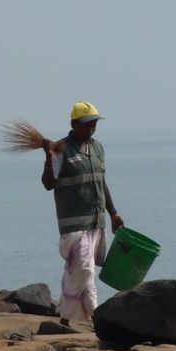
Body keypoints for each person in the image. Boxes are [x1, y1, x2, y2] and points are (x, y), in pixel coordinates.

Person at [41, 101, 124, 326]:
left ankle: (94, 315)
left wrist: (114, 213)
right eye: (87, 124)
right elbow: (48, 184)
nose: (91, 129)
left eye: (94, 124)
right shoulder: (60, 149)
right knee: (84, 268)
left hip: (96, 221)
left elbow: (101, 182)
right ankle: (67, 316)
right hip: (73, 224)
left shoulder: (97, 148)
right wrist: (48, 157)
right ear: (74, 124)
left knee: (84, 271)